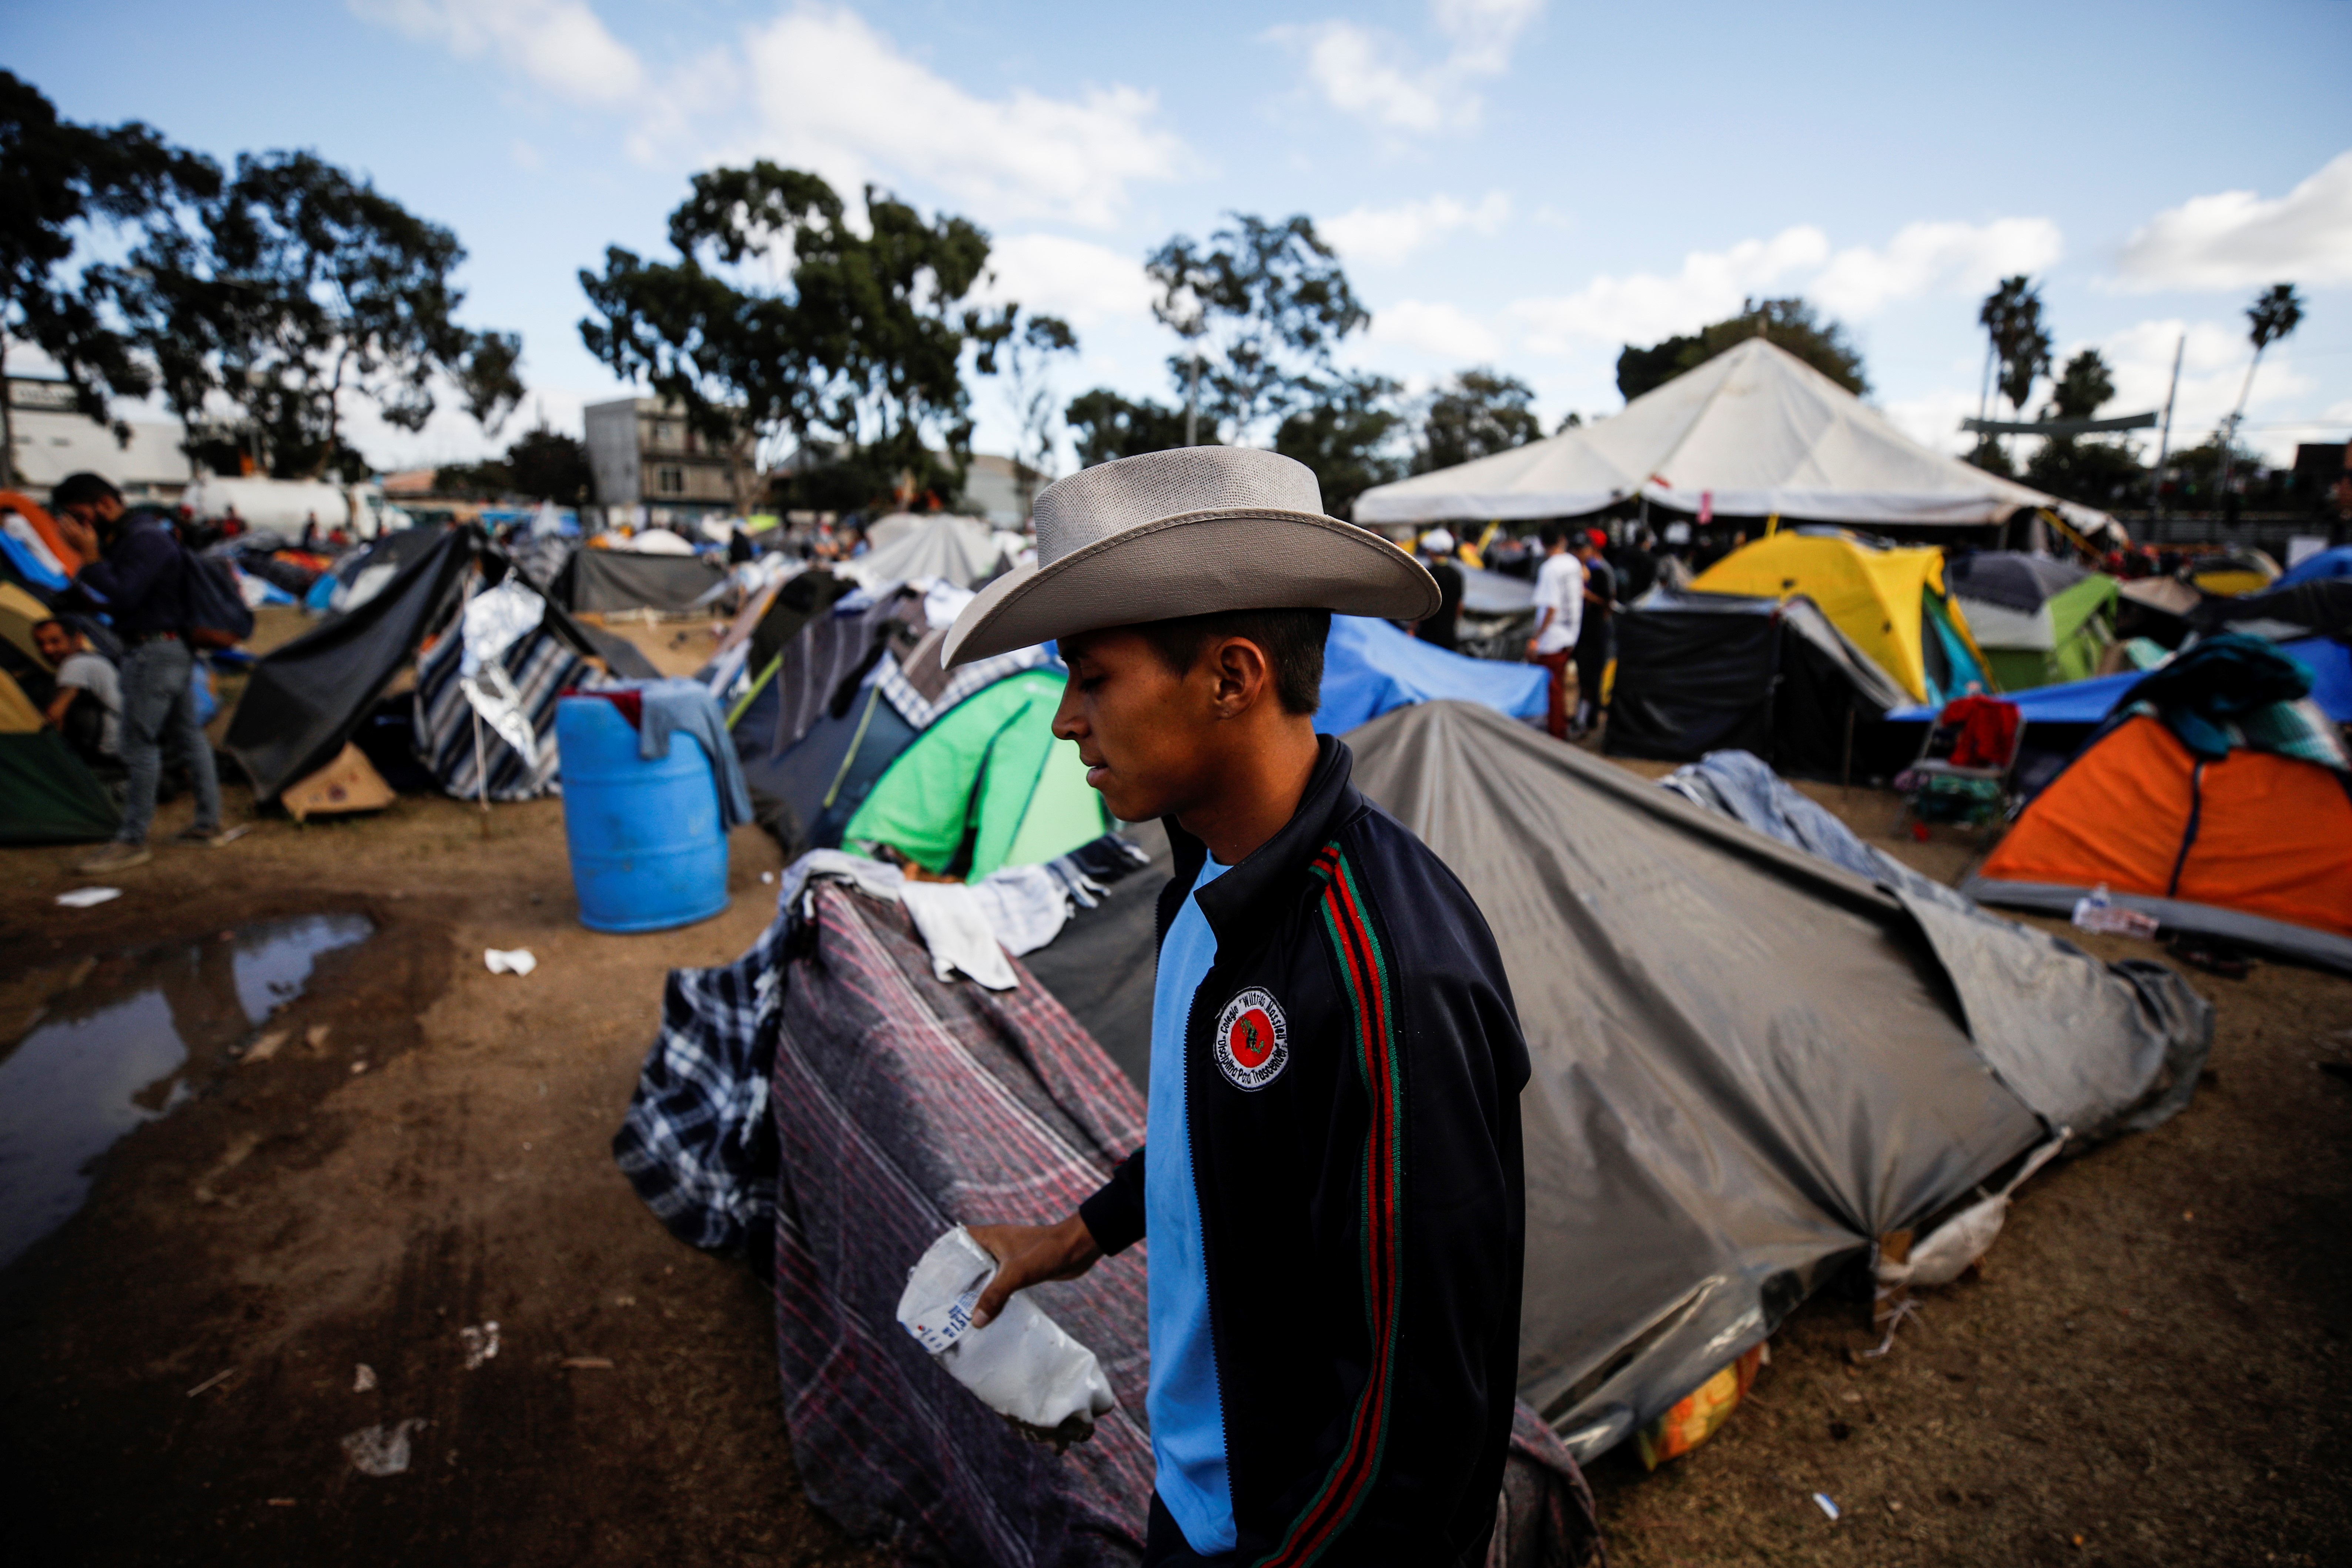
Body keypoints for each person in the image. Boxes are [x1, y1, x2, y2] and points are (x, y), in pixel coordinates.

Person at [945, 448, 1529, 1568]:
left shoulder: (1387, 976)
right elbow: (1220, 1139)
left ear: (1229, 676)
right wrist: (1075, 1235)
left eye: (1092, 677)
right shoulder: (1203, 889)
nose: (1064, 720)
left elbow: (1416, 1426)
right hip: (1208, 1502)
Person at [48, 472, 237, 872]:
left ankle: (132, 839)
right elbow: (118, 598)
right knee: (188, 736)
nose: (73, 524)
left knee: (138, 743)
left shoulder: (143, 539)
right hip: (167, 647)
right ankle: (208, 824)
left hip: (154, 650)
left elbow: (123, 593)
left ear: (102, 503)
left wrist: (90, 557)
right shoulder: (136, 537)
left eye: (76, 514)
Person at [31, 616, 121, 769]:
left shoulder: (75, 664)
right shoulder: (95, 660)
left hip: (106, 755)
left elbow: (55, 715)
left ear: (77, 639)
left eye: (55, 641)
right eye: (41, 644)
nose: (47, 649)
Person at [1525, 522, 1583, 741]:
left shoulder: (1550, 568)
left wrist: (1535, 639)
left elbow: (1551, 607)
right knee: (1558, 687)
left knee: (1553, 690)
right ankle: (1559, 730)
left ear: (1542, 543)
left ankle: (1557, 734)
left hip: (1552, 638)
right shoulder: (1572, 563)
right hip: (1570, 634)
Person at [1570, 530, 1617, 738]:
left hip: (1596, 632)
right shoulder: (1581, 570)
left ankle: (1588, 720)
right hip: (1583, 631)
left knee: (1591, 679)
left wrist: (1587, 595)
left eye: (1582, 549)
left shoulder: (1601, 571)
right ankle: (1583, 718)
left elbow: (1609, 603)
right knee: (1583, 678)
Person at [1415, 527, 1465, 651]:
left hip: (1427, 635)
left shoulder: (1427, 574)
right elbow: (1460, 606)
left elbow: (1420, 605)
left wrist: (1412, 628)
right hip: (1448, 636)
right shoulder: (1457, 574)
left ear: (1431, 550)